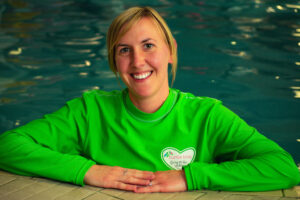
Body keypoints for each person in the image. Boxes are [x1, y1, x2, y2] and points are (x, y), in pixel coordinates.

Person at [0, 6, 299, 193]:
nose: (137, 61)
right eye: (124, 50)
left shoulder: (206, 116)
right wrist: (90, 172)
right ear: (114, 61)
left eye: (148, 45)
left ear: (170, 51)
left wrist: (190, 178)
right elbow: (8, 146)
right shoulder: (90, 112)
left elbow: (281, 167)